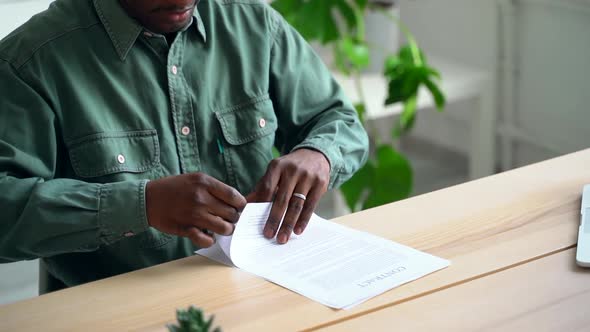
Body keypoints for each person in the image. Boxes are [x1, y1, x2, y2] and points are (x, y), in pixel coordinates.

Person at [0, 0, 368, 291]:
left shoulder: (254, 24)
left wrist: (318, 155)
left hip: (262, 293)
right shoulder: (29, 61)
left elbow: (340, 122)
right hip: (118, 312)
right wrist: (139, 205)